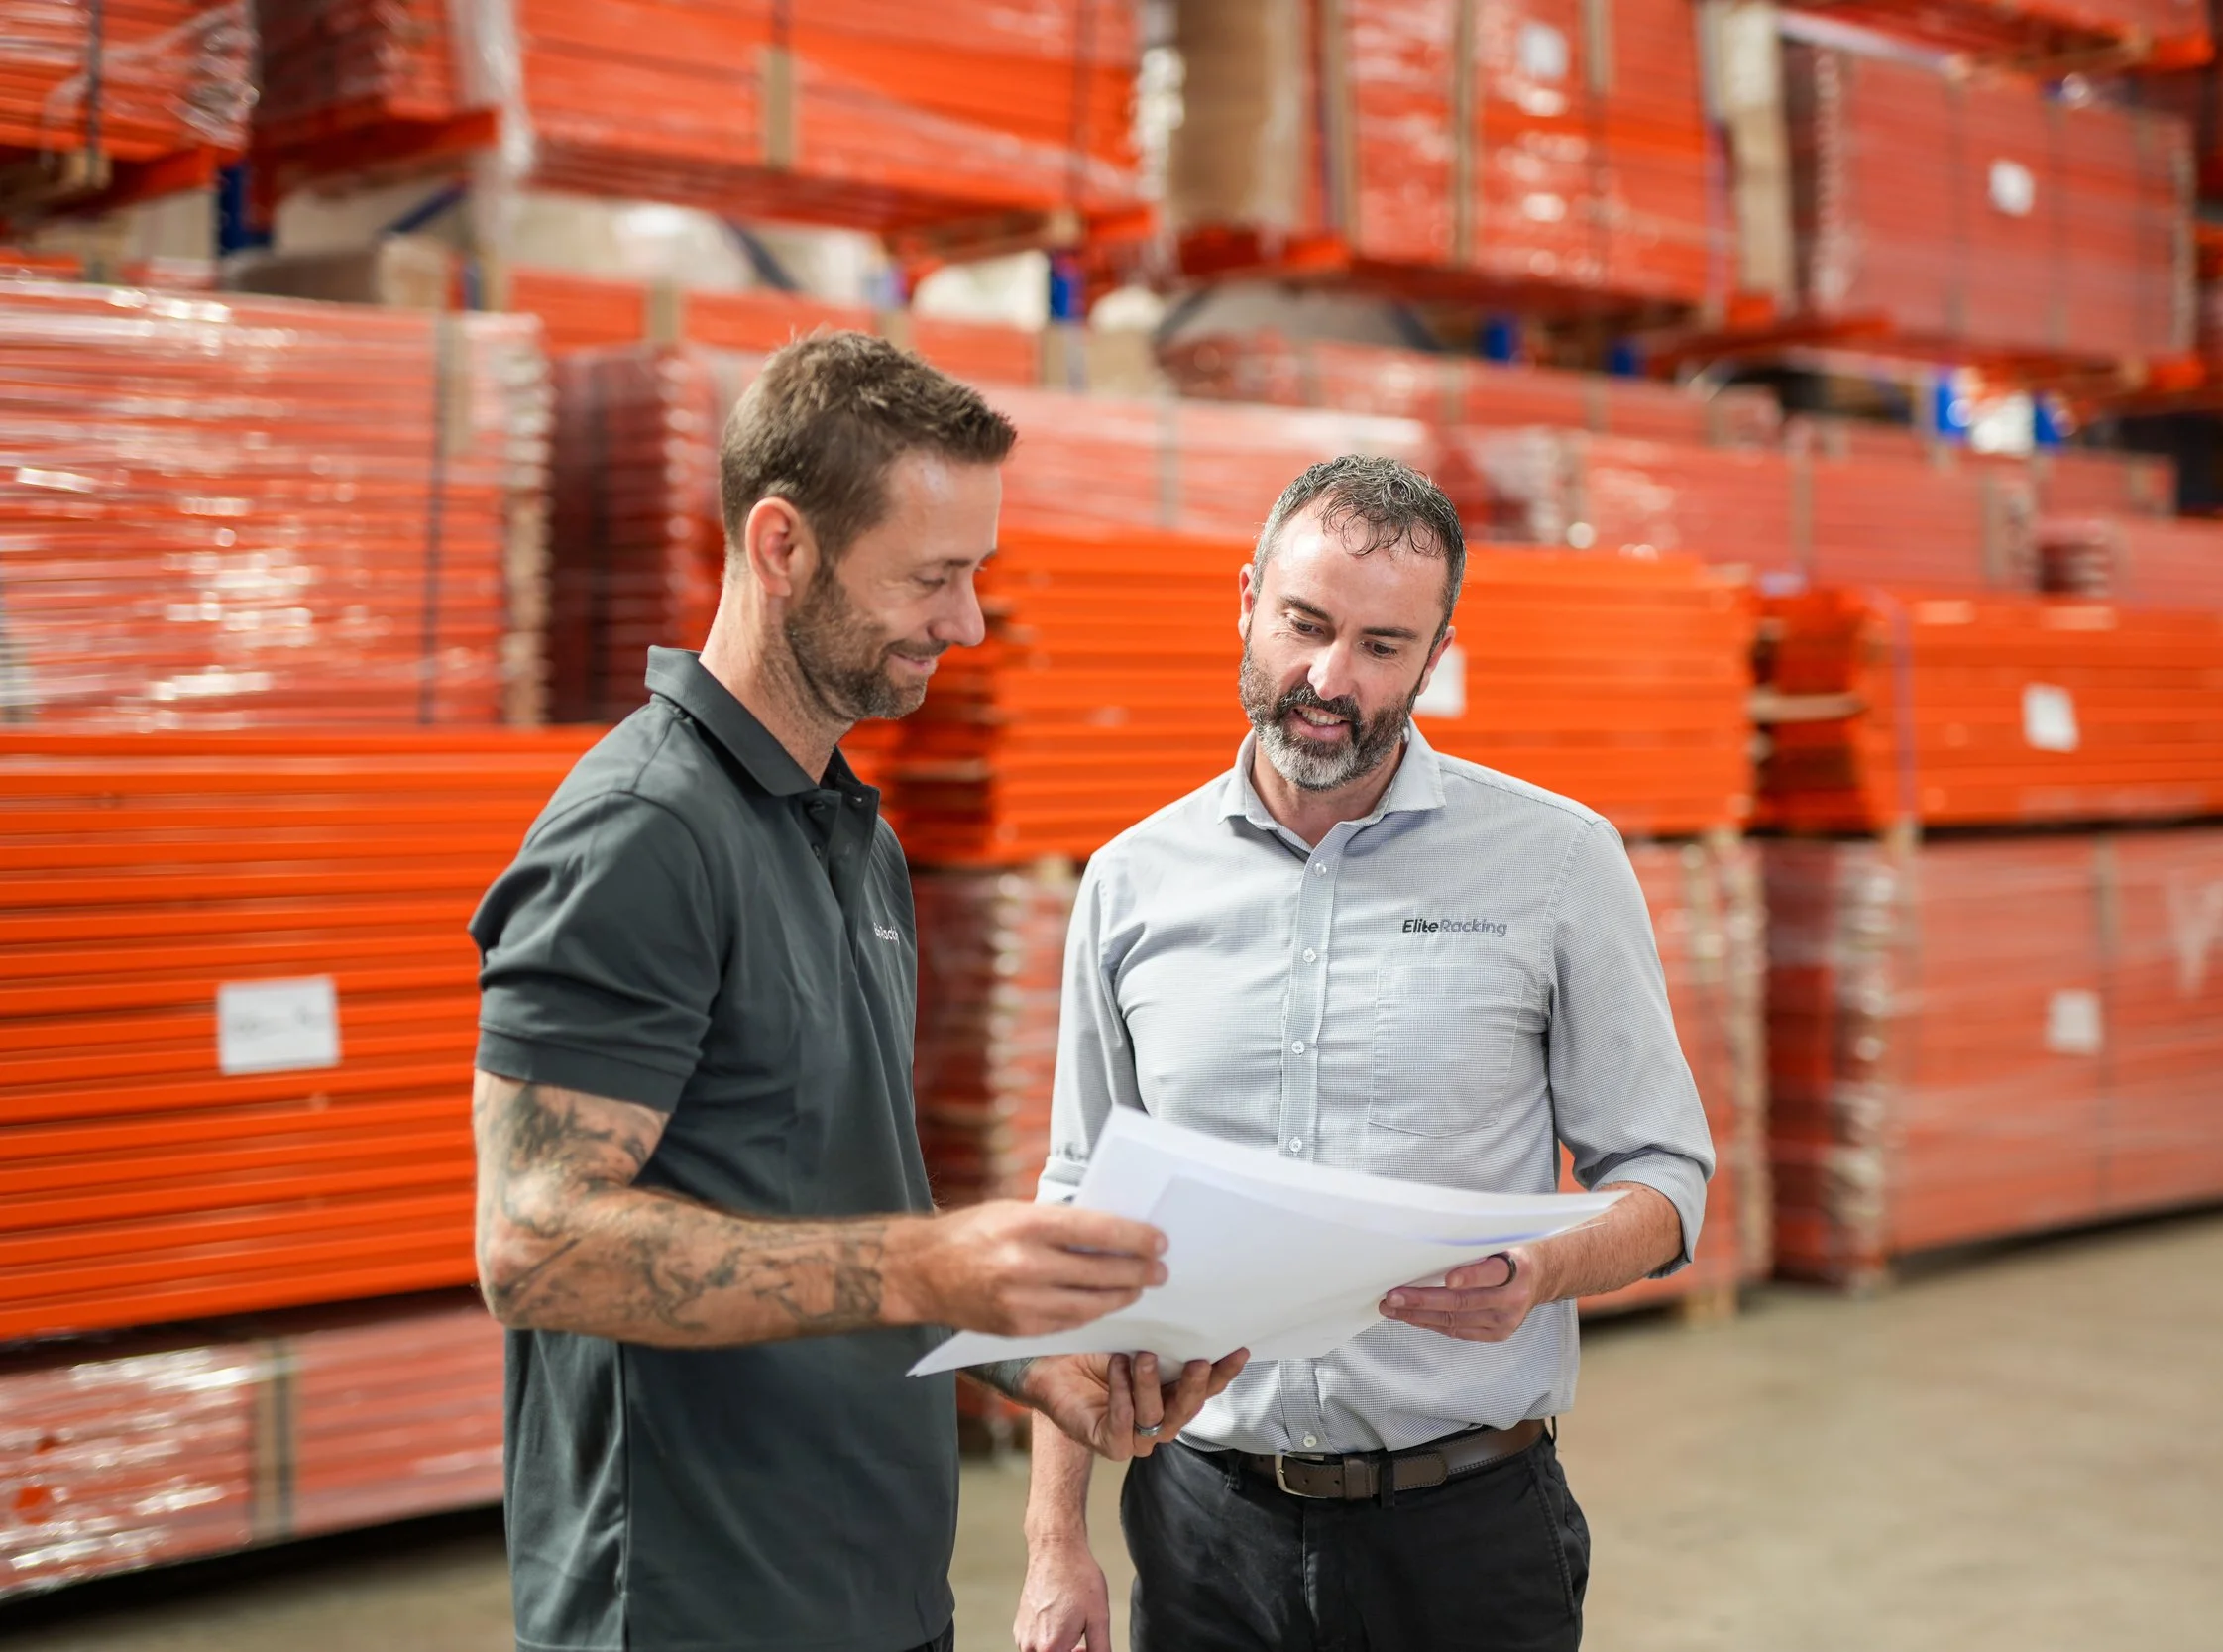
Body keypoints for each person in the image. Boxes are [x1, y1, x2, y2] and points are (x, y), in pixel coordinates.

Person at [467, 332, 1244, 1652]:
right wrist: (931, 1255)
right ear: (782, 547)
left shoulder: (852, 837)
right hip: (697, 1607)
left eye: (975, 574)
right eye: (932, 576)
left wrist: (1015, 1347)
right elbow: (535, 1240)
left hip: (871, 1588)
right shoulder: (642, 834)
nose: (967, 621)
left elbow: (815, 1200)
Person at [1013, 456, 1716, 1652]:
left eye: (1383, 645)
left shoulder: (1555, 865)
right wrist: (1054, 1544)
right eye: (1305, 625)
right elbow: (1076, 1207)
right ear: (1246, 601)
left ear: (1435, 654)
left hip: (1463, 1532)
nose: (1330, 680)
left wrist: (1540, 1270)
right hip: (1200, 1530)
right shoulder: (1131, 880)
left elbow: (1665, 1177)